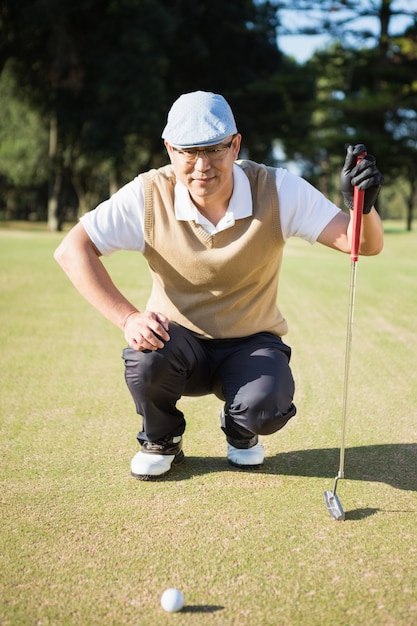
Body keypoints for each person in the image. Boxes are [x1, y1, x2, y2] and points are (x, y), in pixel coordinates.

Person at [54, 90, 384, 480]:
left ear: (235, 144)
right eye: (187, 152)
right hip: (177, 343)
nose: (200, 166)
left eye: (214, 149)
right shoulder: (148, 193)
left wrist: (361, 208)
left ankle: (241, 429)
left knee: (267, 405)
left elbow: (362, 243)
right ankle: (162, 438)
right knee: (145, 361)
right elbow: (72, 249)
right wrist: (127, 318)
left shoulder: (277, 189)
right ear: (168, 149)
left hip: (251, 341)